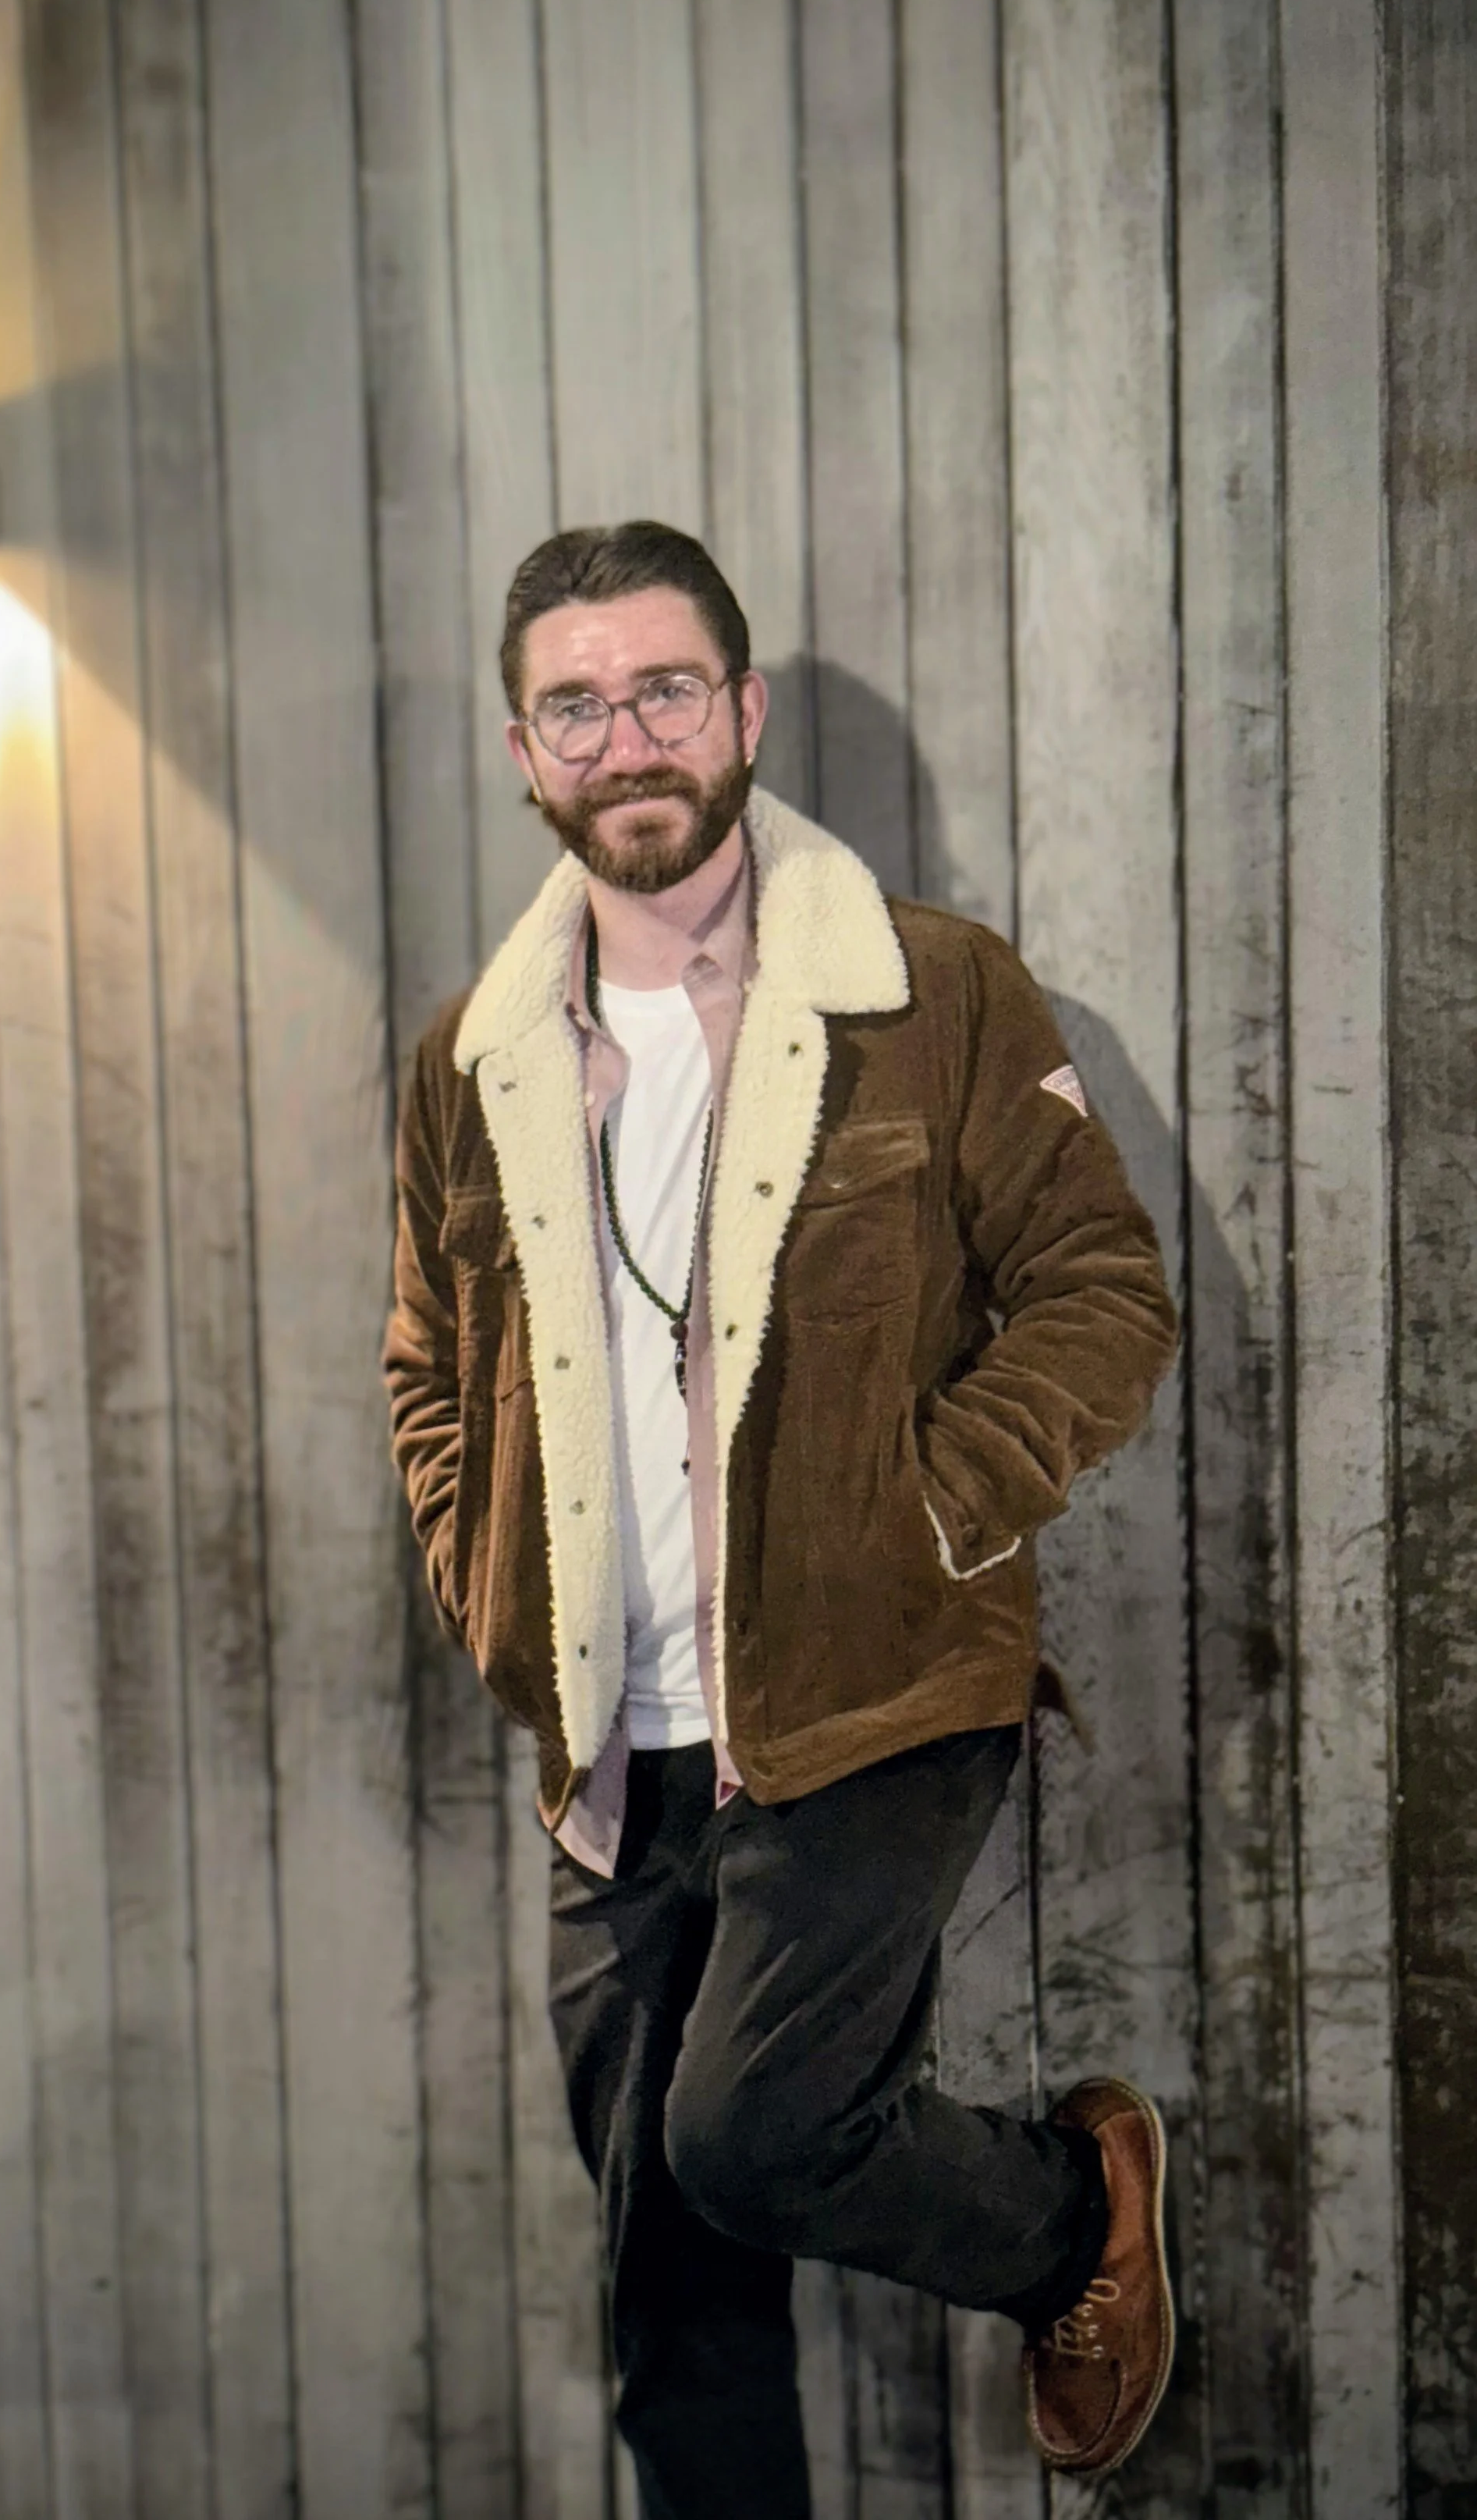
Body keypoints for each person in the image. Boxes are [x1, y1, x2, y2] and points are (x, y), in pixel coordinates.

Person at [382, 520, 1180, 2517]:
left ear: (738, 713)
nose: (626, 735)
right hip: (605, 1744)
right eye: (577, 702)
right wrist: (488, 1582)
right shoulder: (471, 1066)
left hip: (870, 1696)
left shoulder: (933, 993)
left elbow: (1104, 1294)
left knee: (751, 2134)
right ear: (523, 748)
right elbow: (425, 1363)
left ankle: (1073, 2215)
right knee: (675, 2288)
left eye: (666, 689)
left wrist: (928, 1511)